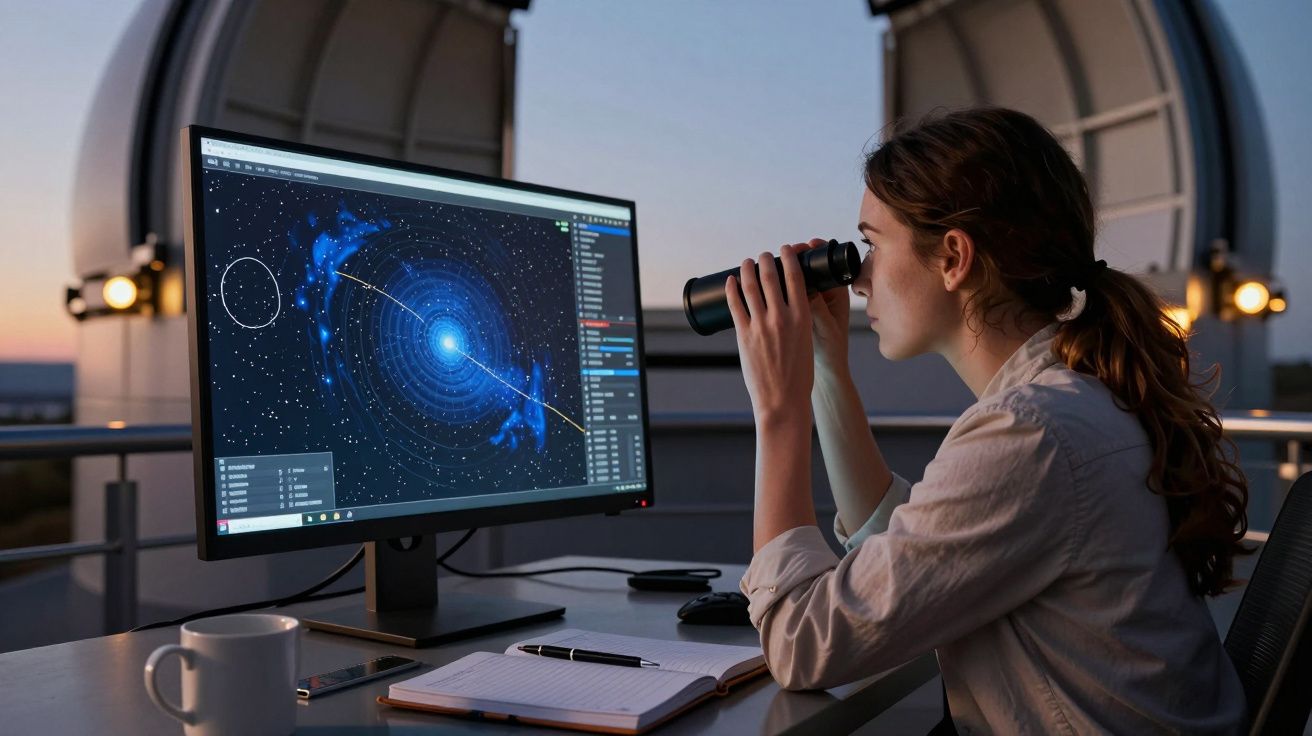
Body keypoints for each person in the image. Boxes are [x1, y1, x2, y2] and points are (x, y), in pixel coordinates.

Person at [727, 107, 1249, 734]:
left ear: (953, 257)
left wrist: (778, 411)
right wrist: (825, 369)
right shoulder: (1072, 399)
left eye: (871, 244)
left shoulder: (1031, 434)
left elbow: (803, 645)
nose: (860, 277)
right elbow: (898, 550)